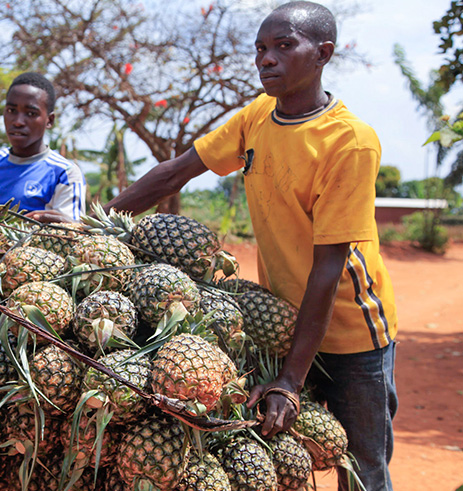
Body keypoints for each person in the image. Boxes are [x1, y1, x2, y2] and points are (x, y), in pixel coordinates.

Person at [103, 3, 397, 490]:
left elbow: (328, 269)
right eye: (261, 49)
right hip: (281, 323)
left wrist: (290, 380)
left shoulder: (349, 142)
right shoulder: (258, 116)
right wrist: (102, 223)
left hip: (351, 333)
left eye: (284, 46)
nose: (266, 59)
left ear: (323, 53)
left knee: (360, 470)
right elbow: (177, 171)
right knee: (286, 464)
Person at [0, 72, 86, 223]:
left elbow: (73, 233)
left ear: (49, 120)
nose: (18, 121)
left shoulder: (64, 173)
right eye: (12, 111)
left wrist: (63, 223)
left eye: (31, 113)